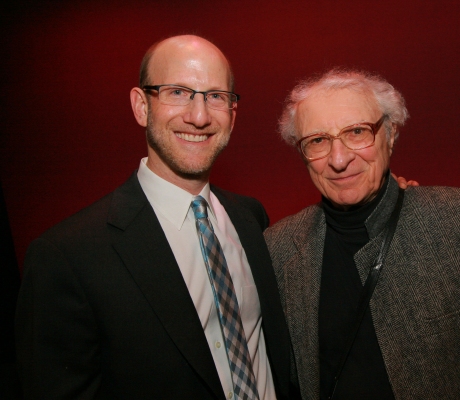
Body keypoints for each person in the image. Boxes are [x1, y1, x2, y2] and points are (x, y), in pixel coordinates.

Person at [15, 35, 295, 400]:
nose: (199, 116)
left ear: (232, 115)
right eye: (178, 92)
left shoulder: (250, 218)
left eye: (215, 96)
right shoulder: (67, 258)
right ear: (141, 106)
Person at [265, 69, 460, 399]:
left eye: (357, 132)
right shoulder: (277, 248)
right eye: (317, 140)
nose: (339, 158)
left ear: (390, 134)